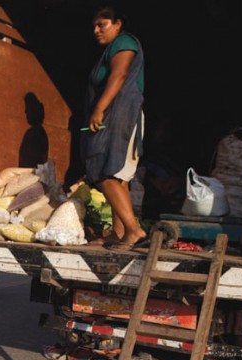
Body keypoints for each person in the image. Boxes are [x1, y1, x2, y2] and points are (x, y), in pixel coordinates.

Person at [81, 5, 148, 250]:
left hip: (120, 115)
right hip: (117, 115)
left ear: (118, 24)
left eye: (102, 24)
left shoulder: (124, 43)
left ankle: (133, 230)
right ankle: (119, 234)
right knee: (118, 177)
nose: (96, 30)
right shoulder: (110, 49)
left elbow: (118, 75)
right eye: (94, 26)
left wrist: (99, 108)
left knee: (104, 172)